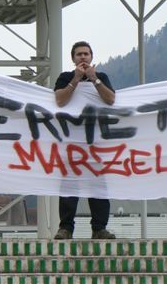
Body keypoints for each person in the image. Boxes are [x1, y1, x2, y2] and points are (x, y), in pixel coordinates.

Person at [53, 41, 116, 240]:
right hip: (71, 142)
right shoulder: (65, 77)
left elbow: (110, 99)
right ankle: (65, 228)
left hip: (95, 142)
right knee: (69, 187)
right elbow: (60, 99)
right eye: (79, 54)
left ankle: (99, 228)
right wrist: (76, 80)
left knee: (98, 186)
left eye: (86, 54)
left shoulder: (102, 77)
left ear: (91, 57)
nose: (83, 57)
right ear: (73, 58)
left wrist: (94, 79)